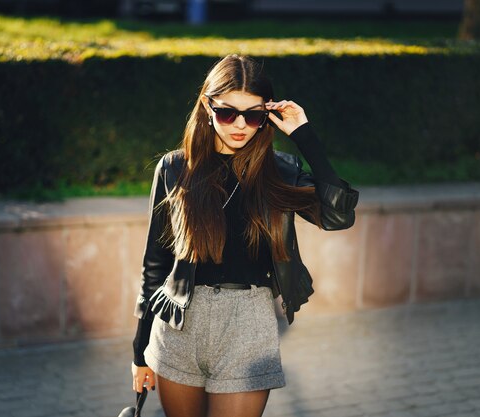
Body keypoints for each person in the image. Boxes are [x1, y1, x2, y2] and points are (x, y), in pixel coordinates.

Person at [130, 54, 359, 417]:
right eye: (227, 113)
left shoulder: (280, 170)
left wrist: (304, 135)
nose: (240, 125)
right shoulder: (174, 168)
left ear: (266, 115)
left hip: (248, 324)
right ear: (207, 106)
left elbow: (338, 215)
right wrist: (139, 351)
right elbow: (155, 264)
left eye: (253, 115)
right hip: (178, 324)